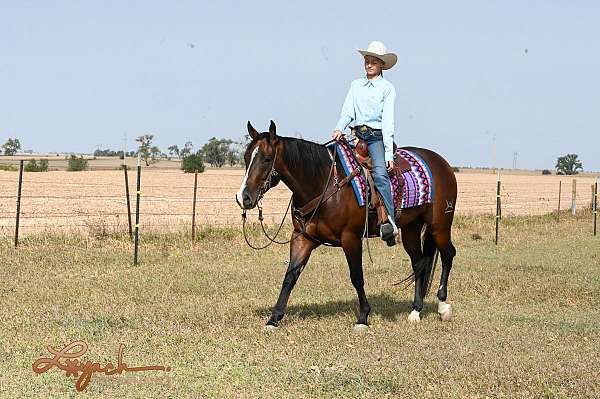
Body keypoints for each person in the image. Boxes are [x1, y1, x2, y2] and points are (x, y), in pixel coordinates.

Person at [332, 41, 399, 243]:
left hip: (376, 137)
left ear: (381, 65)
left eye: (373, 62)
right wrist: (339, 127)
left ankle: (390, 221)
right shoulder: (355, 85)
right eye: (366, 61)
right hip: (357, 135)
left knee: (379, 175)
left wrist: (388, 153)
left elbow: (388, 122)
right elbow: (348, 111)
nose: (369, 65)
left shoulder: (387, 89)